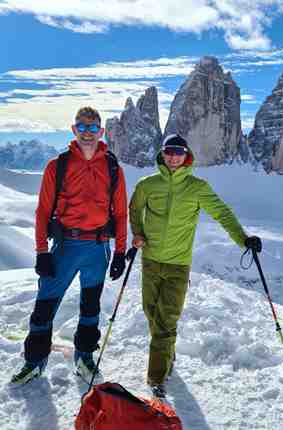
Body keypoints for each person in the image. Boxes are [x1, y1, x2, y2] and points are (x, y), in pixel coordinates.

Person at [129, 134, 261, 398]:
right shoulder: (147, 184)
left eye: (178, 152)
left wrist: (243, 239)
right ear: (163, 154)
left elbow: (222, 213)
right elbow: (135, 209)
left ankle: (156, 377)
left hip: (178, 265)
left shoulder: (197, 187)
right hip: (151, 260)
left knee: (165, 322)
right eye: (169, 151)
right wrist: (138, 233)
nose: (173, 156)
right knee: (151, 313)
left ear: (186, 155)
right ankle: (167, 353)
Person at [11, 107, 128, 385]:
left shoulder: (112, 167)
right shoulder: (58, 165)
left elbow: (121, 213)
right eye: (82, 127)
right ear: (74, 130)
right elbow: (42, 211)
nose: (87, 133)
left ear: (101, 132)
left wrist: (120, 251)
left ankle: (84, 358)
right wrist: (41, 251)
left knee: (91, 308)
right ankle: (34, 362)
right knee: (44, 306)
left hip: (98, 249)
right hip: (65, 246)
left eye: (92, 128)